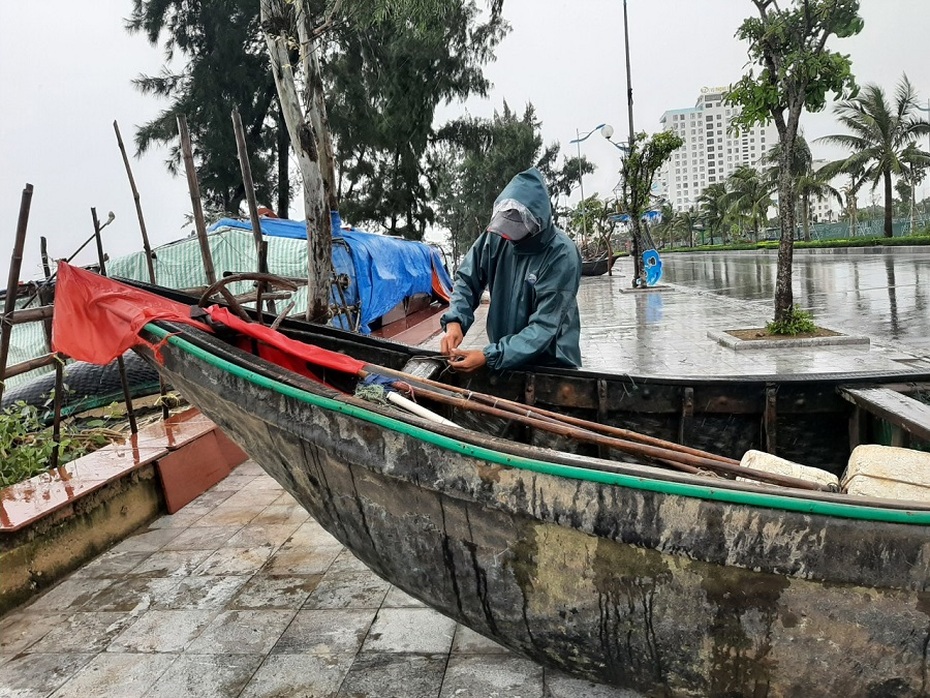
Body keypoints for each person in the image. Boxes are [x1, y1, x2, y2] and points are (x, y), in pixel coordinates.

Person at [440, 167, 582, 373]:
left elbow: (544, 326)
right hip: (504, 357)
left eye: (518, 226)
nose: (509, 234)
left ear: (537, 223)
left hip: (550, 362)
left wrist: (489, 356)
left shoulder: (562, 254)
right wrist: (455, 321)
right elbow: (466, 279)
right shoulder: (496, 237)